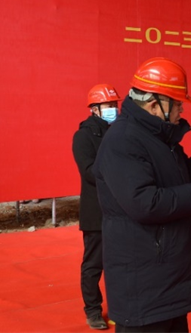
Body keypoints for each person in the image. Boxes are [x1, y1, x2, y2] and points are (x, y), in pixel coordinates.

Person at [94, 58, 191, 333]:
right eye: (177, 104)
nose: (182, 110)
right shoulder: (123, 140)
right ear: (154, 104)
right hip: (143, 285)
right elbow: (145, 203)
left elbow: (178, 175)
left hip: (167, 277)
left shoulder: (157, 137)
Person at [72, 84, 121, 330]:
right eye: (108, 105)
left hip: (121, 209)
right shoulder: (83, 136)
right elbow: (89, 171)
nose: (114, 109)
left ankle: (119, 307)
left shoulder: (119, 131)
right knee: (93, 264)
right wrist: (118, 172)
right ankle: (92, 310)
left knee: (120, 262)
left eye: (115, 105)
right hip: (97, 211)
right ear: (94, 109)